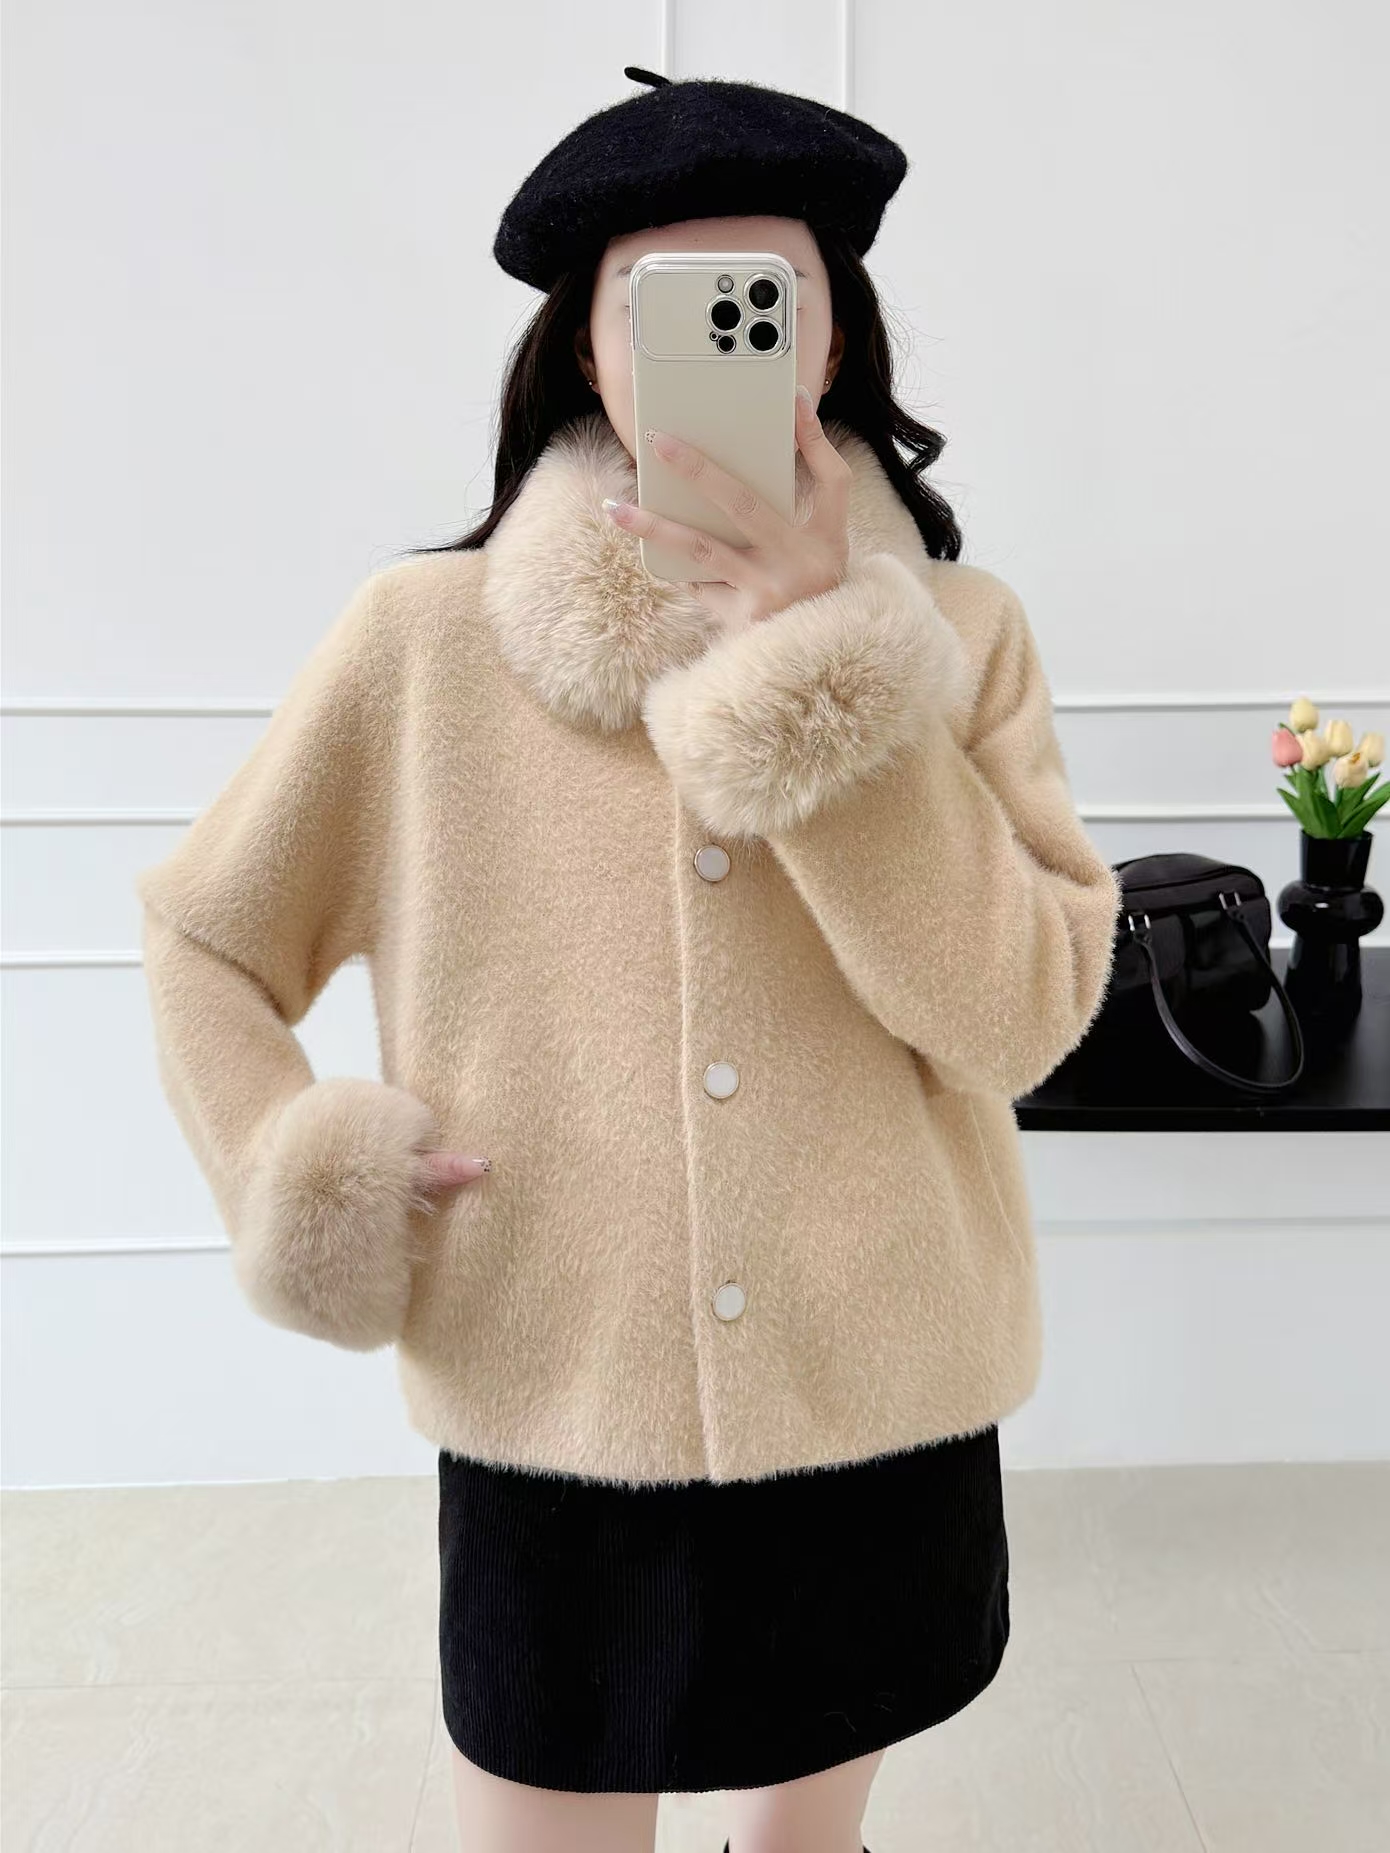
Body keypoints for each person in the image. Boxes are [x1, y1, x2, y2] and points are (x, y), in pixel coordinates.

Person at [135, 67, 1122, 1853]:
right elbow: (205, 933)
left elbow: (1022, 1014)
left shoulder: (962, 638)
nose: (719, 339)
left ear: (828, 339)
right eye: (659, 301)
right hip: (553, 1390)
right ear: (587, 351)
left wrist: (827, 668)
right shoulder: (424, 643)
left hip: (877, 1389)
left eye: (766, 296)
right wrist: (306, 1165)